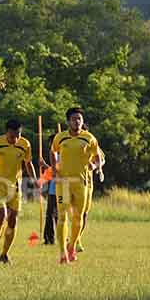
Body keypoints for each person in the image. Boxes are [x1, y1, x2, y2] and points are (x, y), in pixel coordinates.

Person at [51, 107, 102, 264]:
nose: (77, 121)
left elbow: (98, 156)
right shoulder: (60, 138)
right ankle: (62, 253)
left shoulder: (89, 138)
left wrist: (97, 167)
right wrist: (54, 169)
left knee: (78, 217)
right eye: (74, 119)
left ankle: (72, 246)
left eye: (79, 118)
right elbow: (53, 151)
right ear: (68, 121)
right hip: (63, 183)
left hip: (82, 184)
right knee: (61, 217)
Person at [0, 119, 36, 264]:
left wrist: (34, 180)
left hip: (15, 187)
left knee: (13, 220)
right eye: (13, 136)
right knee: (1, 215)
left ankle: (4, 254)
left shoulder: (25, 144)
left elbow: (28, 163)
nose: (15, 139)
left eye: (18, 135)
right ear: (7, 132)